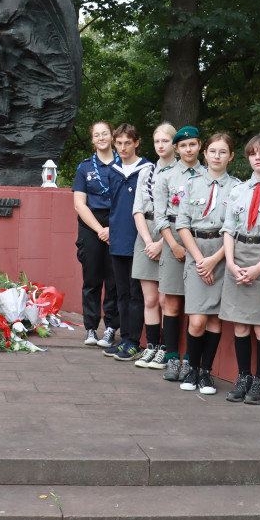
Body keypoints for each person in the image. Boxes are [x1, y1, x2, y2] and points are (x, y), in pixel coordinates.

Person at [175, 133, 240, 394]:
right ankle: (191, 367)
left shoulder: (238, 187)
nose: (217, 156)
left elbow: (235, 229)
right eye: (213, 151)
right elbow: (182, 224)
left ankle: (205, 373)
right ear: (205, 154)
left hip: (223, 255)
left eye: (223, 152)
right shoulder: (190, 184)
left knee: (214, 319)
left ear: (231, 156)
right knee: (197, 321)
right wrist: (201, 260)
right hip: (197, 253)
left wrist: (215, 260)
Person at [221, 133, 260, 405]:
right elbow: (229, 229)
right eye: (253, 153)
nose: (257, 157)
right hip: (238, 254)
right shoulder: (239, 190)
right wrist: (231, 263)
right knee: (241, 326)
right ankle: (243, 376)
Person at [154, 125, 205, 381]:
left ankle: (190, 362)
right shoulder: (165, 176)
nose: (188, 149)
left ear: (200, 146)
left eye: (192, 144)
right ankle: (173, 358)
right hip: (173, 237)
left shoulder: (208, 176)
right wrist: (173, 244)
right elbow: (160, 216)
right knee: (172, 303)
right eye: (183, 145)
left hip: (199, 240)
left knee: (196, 304)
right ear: (177, 148)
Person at [103, 124, 149, 361]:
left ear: (137, 142)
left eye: (127, 143)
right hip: (118, 238)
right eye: (118, 143)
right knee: (120, 292)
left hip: (139, 239)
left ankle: (134, 341)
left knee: (135, 293)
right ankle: (124, 340)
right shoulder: (112, 170)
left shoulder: (147, 169)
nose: (122, 148)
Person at [72, 121, 120, 347]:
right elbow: (80, 204)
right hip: (91, 225)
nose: (101, 138)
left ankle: (111, 328)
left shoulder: (125, 165)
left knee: (114, 279)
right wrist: (101, 229)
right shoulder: (84, 168)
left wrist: (113, 228)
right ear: (92, 140)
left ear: (112, 137)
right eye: (96, 135)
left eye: (105, 134)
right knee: (91, 279)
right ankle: (91, 328)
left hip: (119, 222)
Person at [133, 123, 177, 369]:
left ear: (174, 144)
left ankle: (166, 349)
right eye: (157, 141)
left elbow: (181, 213)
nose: (161, 145)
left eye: (166, 141)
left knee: (164, 300)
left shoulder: (182, 171)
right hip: (146, 234)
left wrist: (162, 243)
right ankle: (151, 347)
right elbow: (138, 209)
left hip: (169, 236)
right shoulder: (146, 171)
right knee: (149, 299)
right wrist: (149, 241)